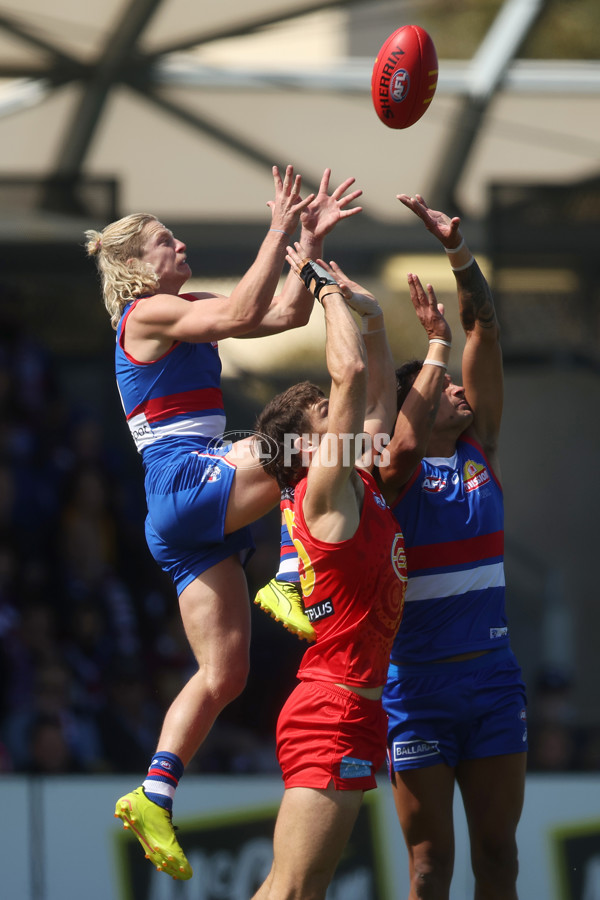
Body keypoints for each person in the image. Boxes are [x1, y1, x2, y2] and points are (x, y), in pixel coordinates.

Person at [84, 164, 363, 881]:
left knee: (224, 671)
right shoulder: (143, 315)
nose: (178, 246)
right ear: (133, 268)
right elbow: (243, 314)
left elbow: (279, 316)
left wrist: (306, 247)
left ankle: (153, 793)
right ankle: (292, 574)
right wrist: (274, 229)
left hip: (186, 503)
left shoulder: (185, 308)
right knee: (307, 439)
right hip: (186, 476)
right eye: (164, 241)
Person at [379, 194, 528, 900]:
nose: (464, 392)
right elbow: (399, 444)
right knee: (430, 867)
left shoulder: (482, 448)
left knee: (498, 856)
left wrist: (459, 256)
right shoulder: (396, 474)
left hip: (493, 683)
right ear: (419, 403)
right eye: (446, 390)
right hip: (418, 690)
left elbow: (486, 329)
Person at [250, 244, 408, 900]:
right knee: (290, 891)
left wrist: (371, 318)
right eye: (326, 418)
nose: (343, 422)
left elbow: (377, 400)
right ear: (311, 445)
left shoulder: (354, 481)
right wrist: (321, 286)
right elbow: (347, 375)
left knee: (303, 891)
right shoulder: (323, 490)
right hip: (331, 708)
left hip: (356, 708)